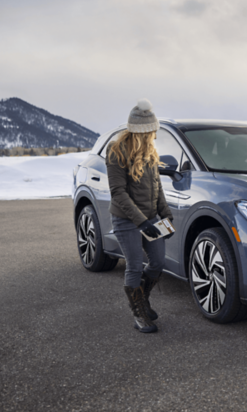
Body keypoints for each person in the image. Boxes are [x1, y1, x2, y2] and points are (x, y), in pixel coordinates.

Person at [106, 99, 173, 333]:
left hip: (151, 217)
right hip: (126, 220)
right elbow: (118, 193)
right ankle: (139, 313)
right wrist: (142, 222)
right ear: (142, 132)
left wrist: (165, 214)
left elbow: (158, 185)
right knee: (134, 265)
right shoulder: (116, 151)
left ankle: (142, 298)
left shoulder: (150, 151)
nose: (155, 135)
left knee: (158, 262)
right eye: (152, 131)